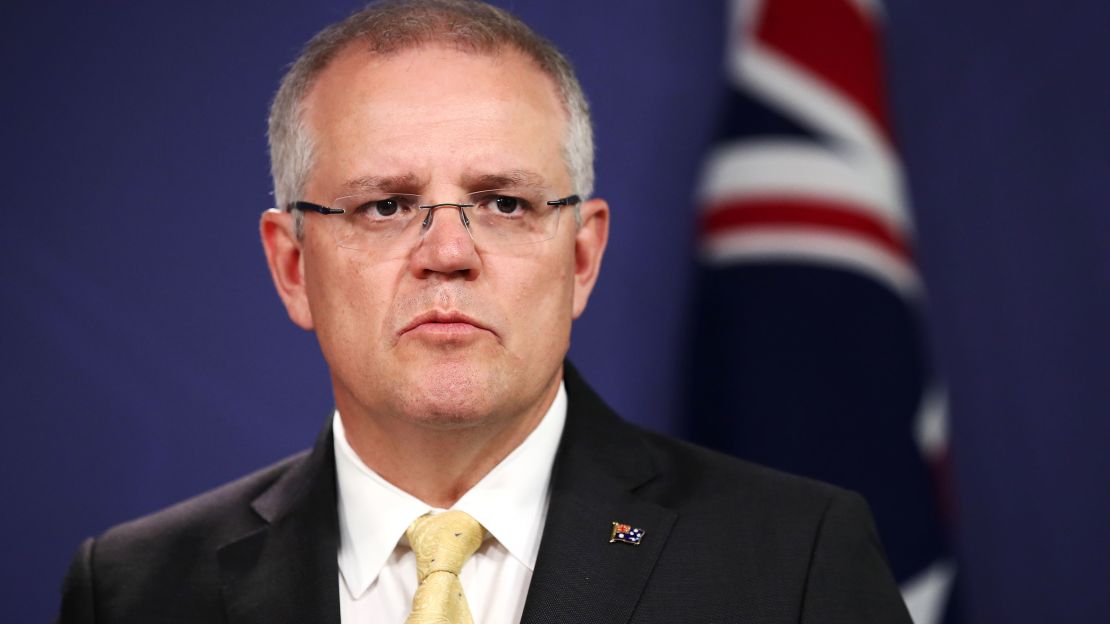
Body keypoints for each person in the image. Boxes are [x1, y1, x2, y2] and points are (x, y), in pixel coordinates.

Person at [57, 1, 912, 622]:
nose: (449, 252)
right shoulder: (134, 590)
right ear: (292, 266)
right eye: (386, 206)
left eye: (503, 203)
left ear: (581, 256)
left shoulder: (794, 560)